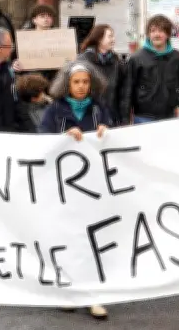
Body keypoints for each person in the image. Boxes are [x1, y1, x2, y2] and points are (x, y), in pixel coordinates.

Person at [38, 61, 112, 320]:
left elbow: (113, 137)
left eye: (85, 82)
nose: (81, 86)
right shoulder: (54, 110)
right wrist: (63, 136)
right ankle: (69, 291)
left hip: (92, 185)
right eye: (76, 82)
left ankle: (92, 295)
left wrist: (106, 132)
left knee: (92, 239)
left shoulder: (99, 109)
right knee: (68, 237)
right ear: (67, 84)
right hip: (63, 185)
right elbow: (42, 139)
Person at [121, 14, 179, 124]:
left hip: (169, 116)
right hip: (143, 117)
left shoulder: (176, 57)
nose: (157, 34)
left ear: (168, 34)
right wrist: (125, 120)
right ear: (148, 34)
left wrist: (177, 101)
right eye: (153, 31)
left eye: (161, 31)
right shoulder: (137, 58)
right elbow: (127, 90)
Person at [78, 24, 127, 125]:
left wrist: (123, 117)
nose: (113, 39)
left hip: (112, 117)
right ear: (99, 39)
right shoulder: (83, 61)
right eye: (110, 36)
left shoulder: (117, 62)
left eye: (113, 36)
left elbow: (123, 91)